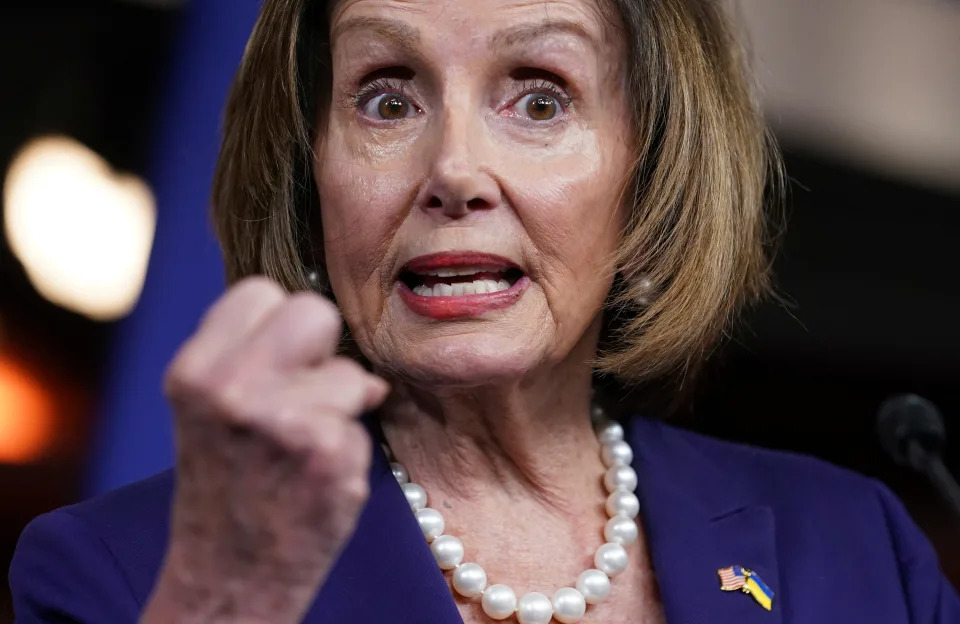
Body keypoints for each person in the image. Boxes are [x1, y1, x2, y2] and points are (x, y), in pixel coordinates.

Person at [9, 0, 960, 622]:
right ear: (310, 176)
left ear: (651, 165)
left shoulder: (853, 545)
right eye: (386, 99)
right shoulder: (119, 575)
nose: (455, 169)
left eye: (540, 99)